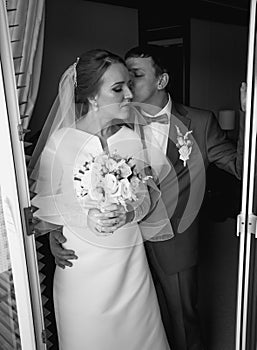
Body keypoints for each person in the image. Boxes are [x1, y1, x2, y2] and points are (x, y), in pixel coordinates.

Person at [49, 45, 244, 350]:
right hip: (109, 253)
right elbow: (58, 194)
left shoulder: (199, 123)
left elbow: (241, 168)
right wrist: (56, 232)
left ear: (161, 81)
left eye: (135, 78)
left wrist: (250, 118)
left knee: (180, 322)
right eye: (123, 81)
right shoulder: (105, 126)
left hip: (170, 239)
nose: (129, 88)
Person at [30, 49, 172, 350]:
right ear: (93, 96)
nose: (129, 94)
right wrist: (69, 225)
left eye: (129, 85)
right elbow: (42, 205)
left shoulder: (132, 139)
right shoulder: (61, 143)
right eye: (118, 88)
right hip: (82, 269)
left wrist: (129, 214)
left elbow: (146, 199)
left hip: (130, 267)